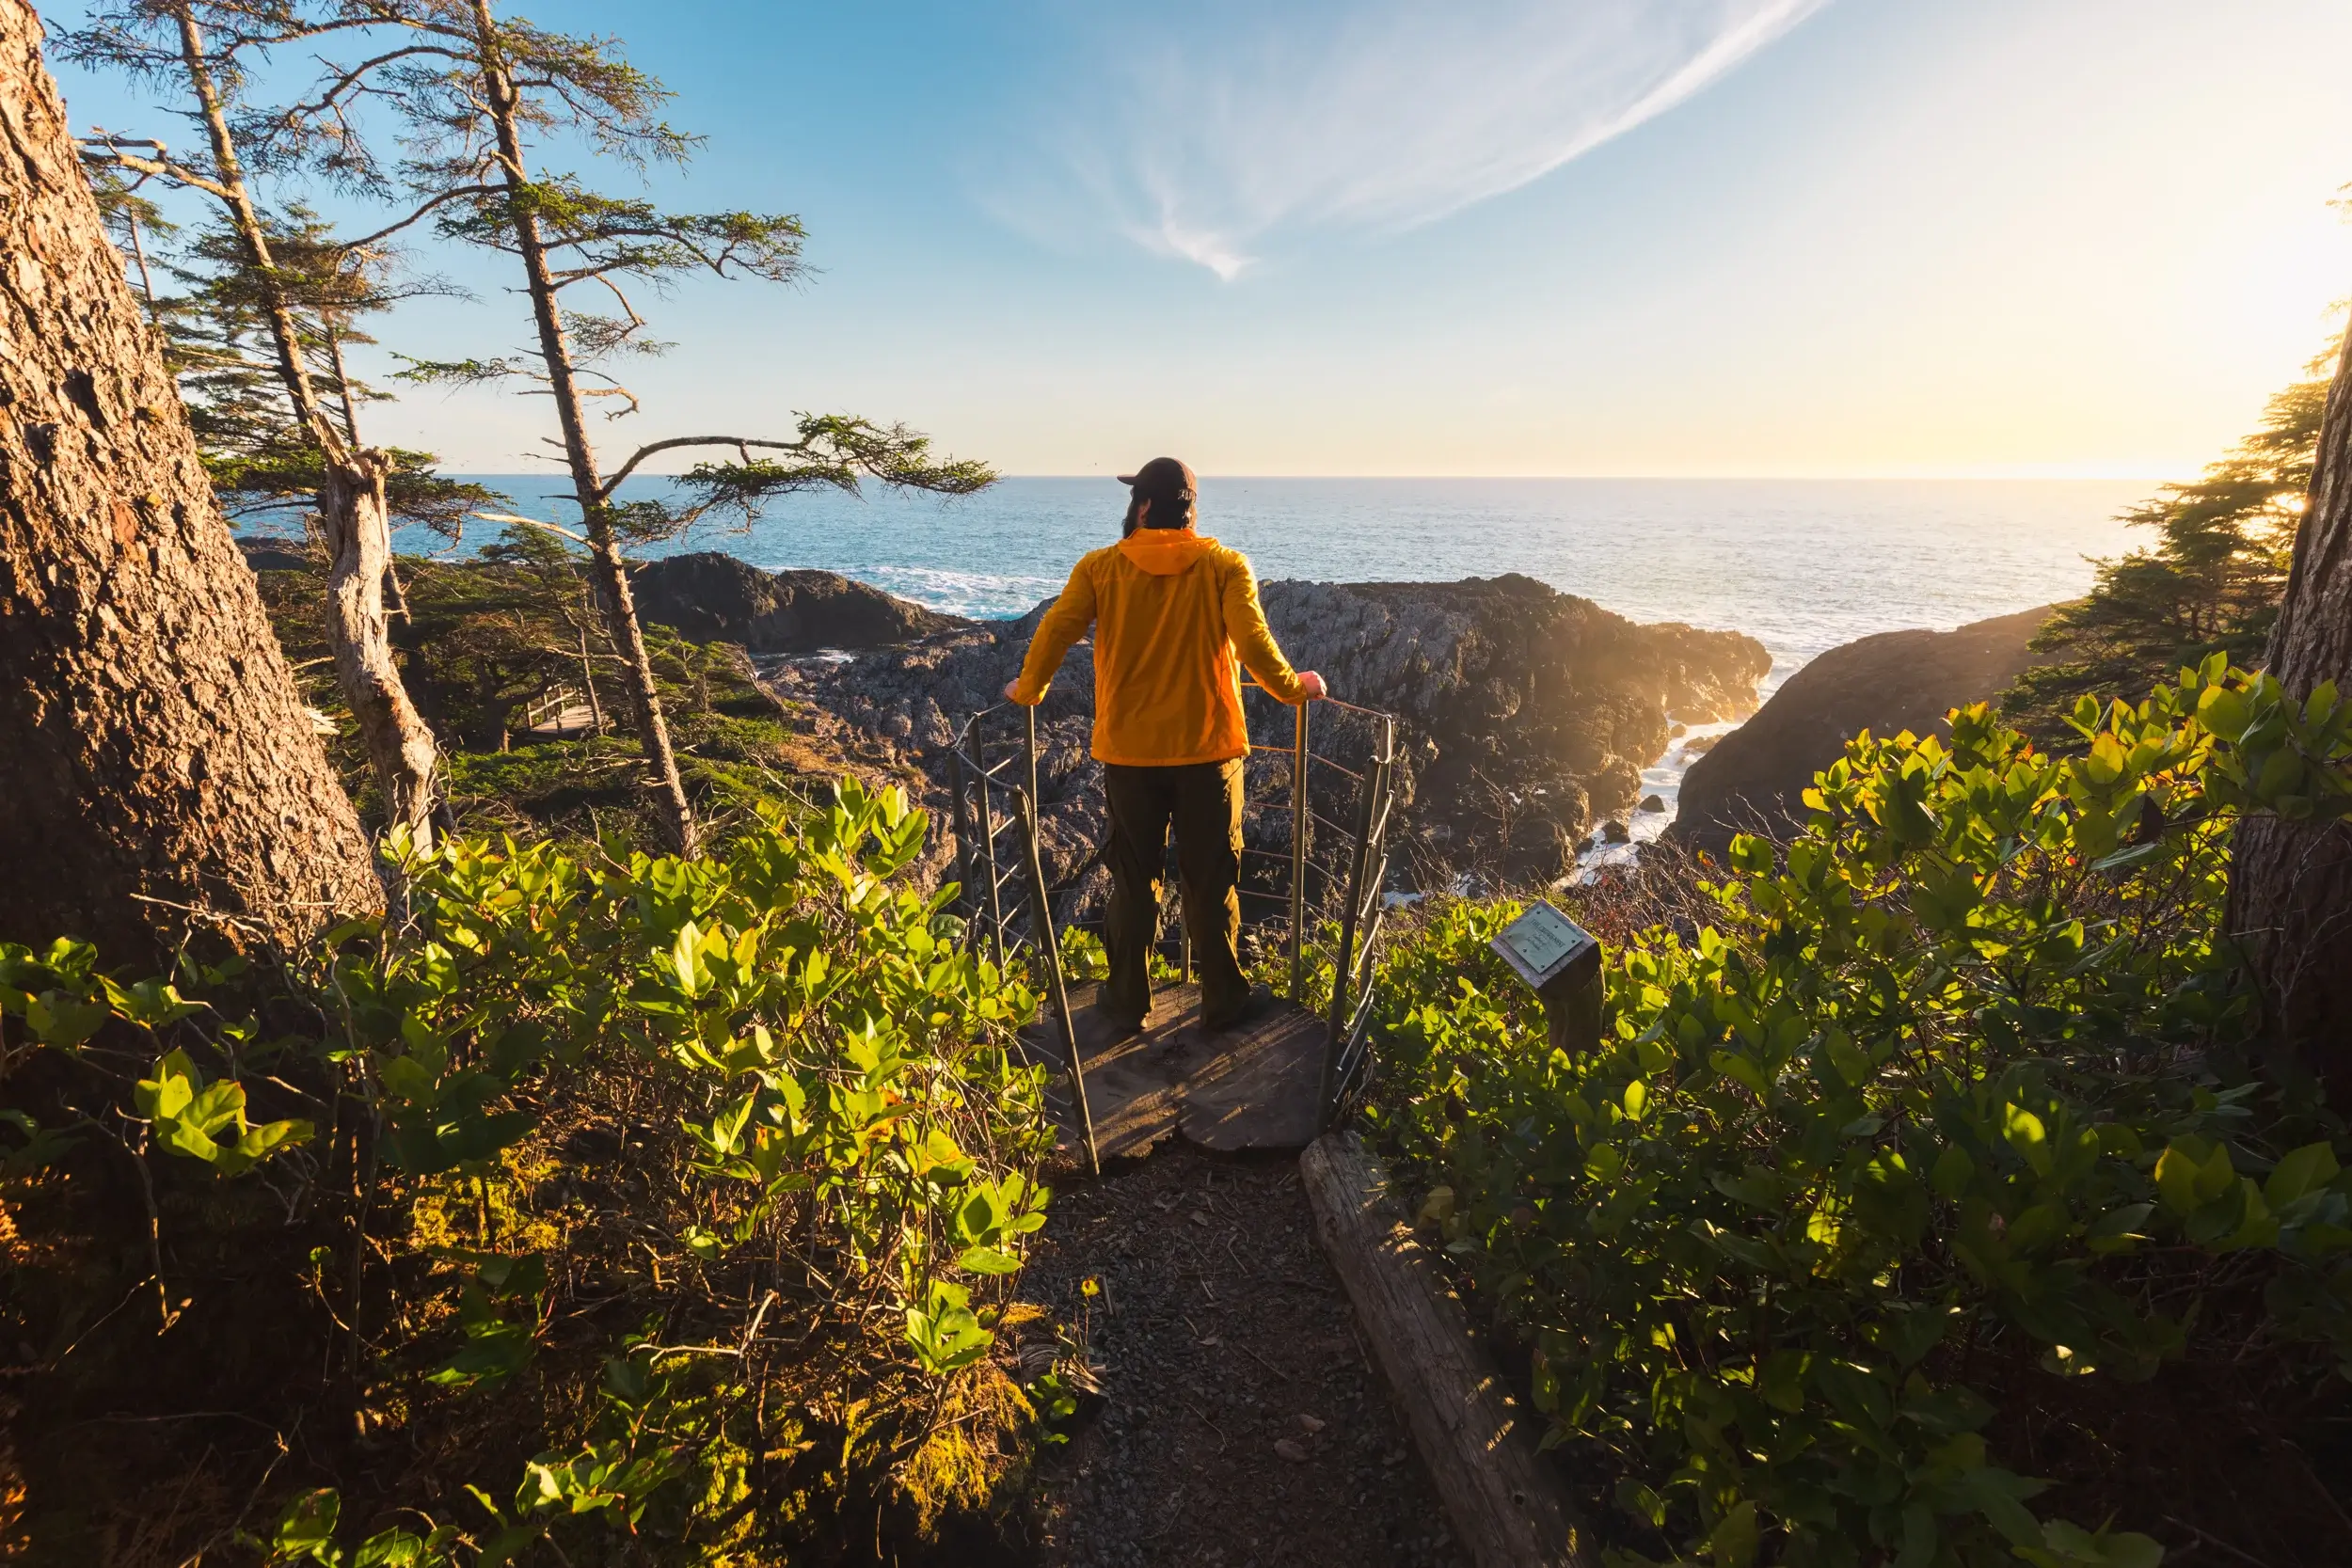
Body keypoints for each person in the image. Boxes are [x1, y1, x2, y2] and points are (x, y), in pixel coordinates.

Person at [1004, 457, 1327, 1035]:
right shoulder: (1224, 565)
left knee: (1133, 878)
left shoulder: (1100, 567)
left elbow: (1057, 629)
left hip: (1129, 754)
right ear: (1190, 509)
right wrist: (1291, 689)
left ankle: (1127, 1001)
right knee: (1213, 878)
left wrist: (1028, 689)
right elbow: (1253, 641)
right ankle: (1223, 1001)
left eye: (1134, 500)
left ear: (1145, 507)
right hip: (1209, 753)